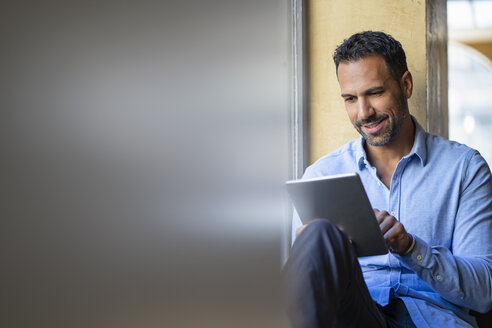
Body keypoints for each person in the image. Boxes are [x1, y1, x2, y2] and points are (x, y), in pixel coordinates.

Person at [284, 31, 492, 328]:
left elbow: (484, 292)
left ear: (405, 85)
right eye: (350, 99)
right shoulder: (322, 175)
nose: (363, 112)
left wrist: (410, 247)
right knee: (318, 234)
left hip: (430, 319)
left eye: (375, 93)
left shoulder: (465, 169)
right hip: (355, 315)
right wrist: (316, 249)